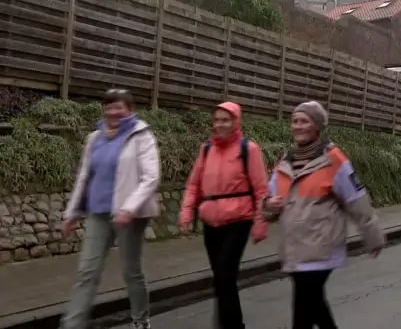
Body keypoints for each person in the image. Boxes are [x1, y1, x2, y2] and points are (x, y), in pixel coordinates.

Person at [262, 101, 385, 329]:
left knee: (304, 308)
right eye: (295, 121)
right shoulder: (285, 161)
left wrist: (373, 236)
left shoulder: (334, 159)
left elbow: (356, 200)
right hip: (294, 248)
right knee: (313, 306)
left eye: (304, 121)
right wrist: (269, 204)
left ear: (317, 126)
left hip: (322, 246)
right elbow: (269, 201)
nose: (298, 126)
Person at [61, 89, 161, 329]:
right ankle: (71, 325)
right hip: (98, 213)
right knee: (87, 272)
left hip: (130, 215)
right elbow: (84, 176)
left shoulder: (141, 135)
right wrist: (72, 212)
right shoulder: (94, 138)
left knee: (131, 272)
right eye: (109, 107)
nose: (113, 112)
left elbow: (151, 176)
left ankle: (140, 319)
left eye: (119, 107)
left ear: (130, 110)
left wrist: (128, 208)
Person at [179, 102, 269, 329]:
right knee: (221, 279)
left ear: (236, 122)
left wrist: (260, 224)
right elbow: (194, 184)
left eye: (225, 120)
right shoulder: (206, 149)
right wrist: (186, 213)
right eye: (217, 120)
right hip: (210, 222)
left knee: (224, 276)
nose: (220, 124)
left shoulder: (248, 150)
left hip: (238, 221)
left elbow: (261, 190)